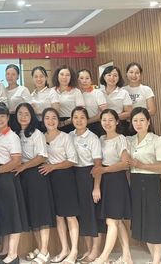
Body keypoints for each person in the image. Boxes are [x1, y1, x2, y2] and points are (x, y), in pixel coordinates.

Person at [0, 104, 28, 264]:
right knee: (5, 215)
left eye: (2, 116)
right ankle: (5, 250)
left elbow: (16, 161)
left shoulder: (12, 136)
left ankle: (13, 255)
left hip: (6, 177)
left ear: (8, 118)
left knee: (13, 216)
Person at [126, 108, 161, 264]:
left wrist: (141, 165)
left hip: (151, 182)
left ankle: (157, 260)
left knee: (154, 221)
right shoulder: (130, 140)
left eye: (142, 120)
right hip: (135, 182)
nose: (138, 123)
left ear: (148, 122)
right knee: (143, 222)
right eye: (135, 120)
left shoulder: (159, 140)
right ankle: (155, 259)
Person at [14, 103, 54, 264]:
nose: (23, 117)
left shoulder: (37, 134)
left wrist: (23, 167)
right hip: (23, 176)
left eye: (26, 114)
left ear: (32, 116)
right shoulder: (16, 133)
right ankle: (39, 248)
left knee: (41, 214)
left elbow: (42, 156)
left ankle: (45, 251)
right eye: (20, 113)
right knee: (33, 215)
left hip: (36, 175)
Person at [90, 109, 132, 264]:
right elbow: (98, 165)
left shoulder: (121, 138)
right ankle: (127, 256)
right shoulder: (100, 139)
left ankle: (103, 257)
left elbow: (125, 164)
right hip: (105, 181)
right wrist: (97, 185)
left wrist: (105, 170)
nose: (107, 123)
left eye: (110, 120)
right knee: (117, 221)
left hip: (117, 181)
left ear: (117, 121)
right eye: (104, 120)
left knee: (112, 221)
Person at [39, 108, 79, 264]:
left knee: (70, 215)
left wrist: (53, 167)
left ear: (58, 120)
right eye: (47, 118)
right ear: (43, 120)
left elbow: (72, 160)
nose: (51, 121)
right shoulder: (41, 137)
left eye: (54, 118)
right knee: (58, 216)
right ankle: (65, 250)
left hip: (65, 178)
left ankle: (74, 251)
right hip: (49, 179)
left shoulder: (65, 137)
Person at [68, 107, 103, 263]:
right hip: (73, 176)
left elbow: (98, 165)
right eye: (75, 117)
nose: (79, 120)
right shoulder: (69, 136)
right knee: (82, 215)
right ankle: (88, 250)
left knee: (92, 214)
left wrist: (96, 187)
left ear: (87, 120)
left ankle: (95, 251)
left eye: (82, 117)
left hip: (89, 175)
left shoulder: (93, 138)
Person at [99, 66, 132, 135]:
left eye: (115, 75)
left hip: (120, 125)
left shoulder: (124, 92)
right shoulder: (98, 92)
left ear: (119, 78)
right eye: (109, 75)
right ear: (104, 77)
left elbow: (129, 112)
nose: (112, 78)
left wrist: (112, 118)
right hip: (102, 125)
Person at [53, 67, 84, 133]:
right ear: (57, 76)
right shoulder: (52, 90)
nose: (64, 77)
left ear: (71, 77)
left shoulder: (76, 91)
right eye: (62, 74)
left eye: (67, 75)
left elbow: (80, 111)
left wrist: (65, 122)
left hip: (71, 123)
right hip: (54, 123)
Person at [77, 69, 107, 136]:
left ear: (91, 80)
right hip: (77, 126)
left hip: (95, 126)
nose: (84, 81)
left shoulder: (97, 93)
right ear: (77, 80)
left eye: (87, 78)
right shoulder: (75, 93)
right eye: (81, 78)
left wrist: (86, 122)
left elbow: (104, 112)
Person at [4, 64, 31, 128]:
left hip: (19, 119)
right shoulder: (3, 90)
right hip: (5, 120)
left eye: (13, 74)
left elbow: (29, 107)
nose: (10, 77)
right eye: (8, 74)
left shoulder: (23, 89)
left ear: (18, 76)